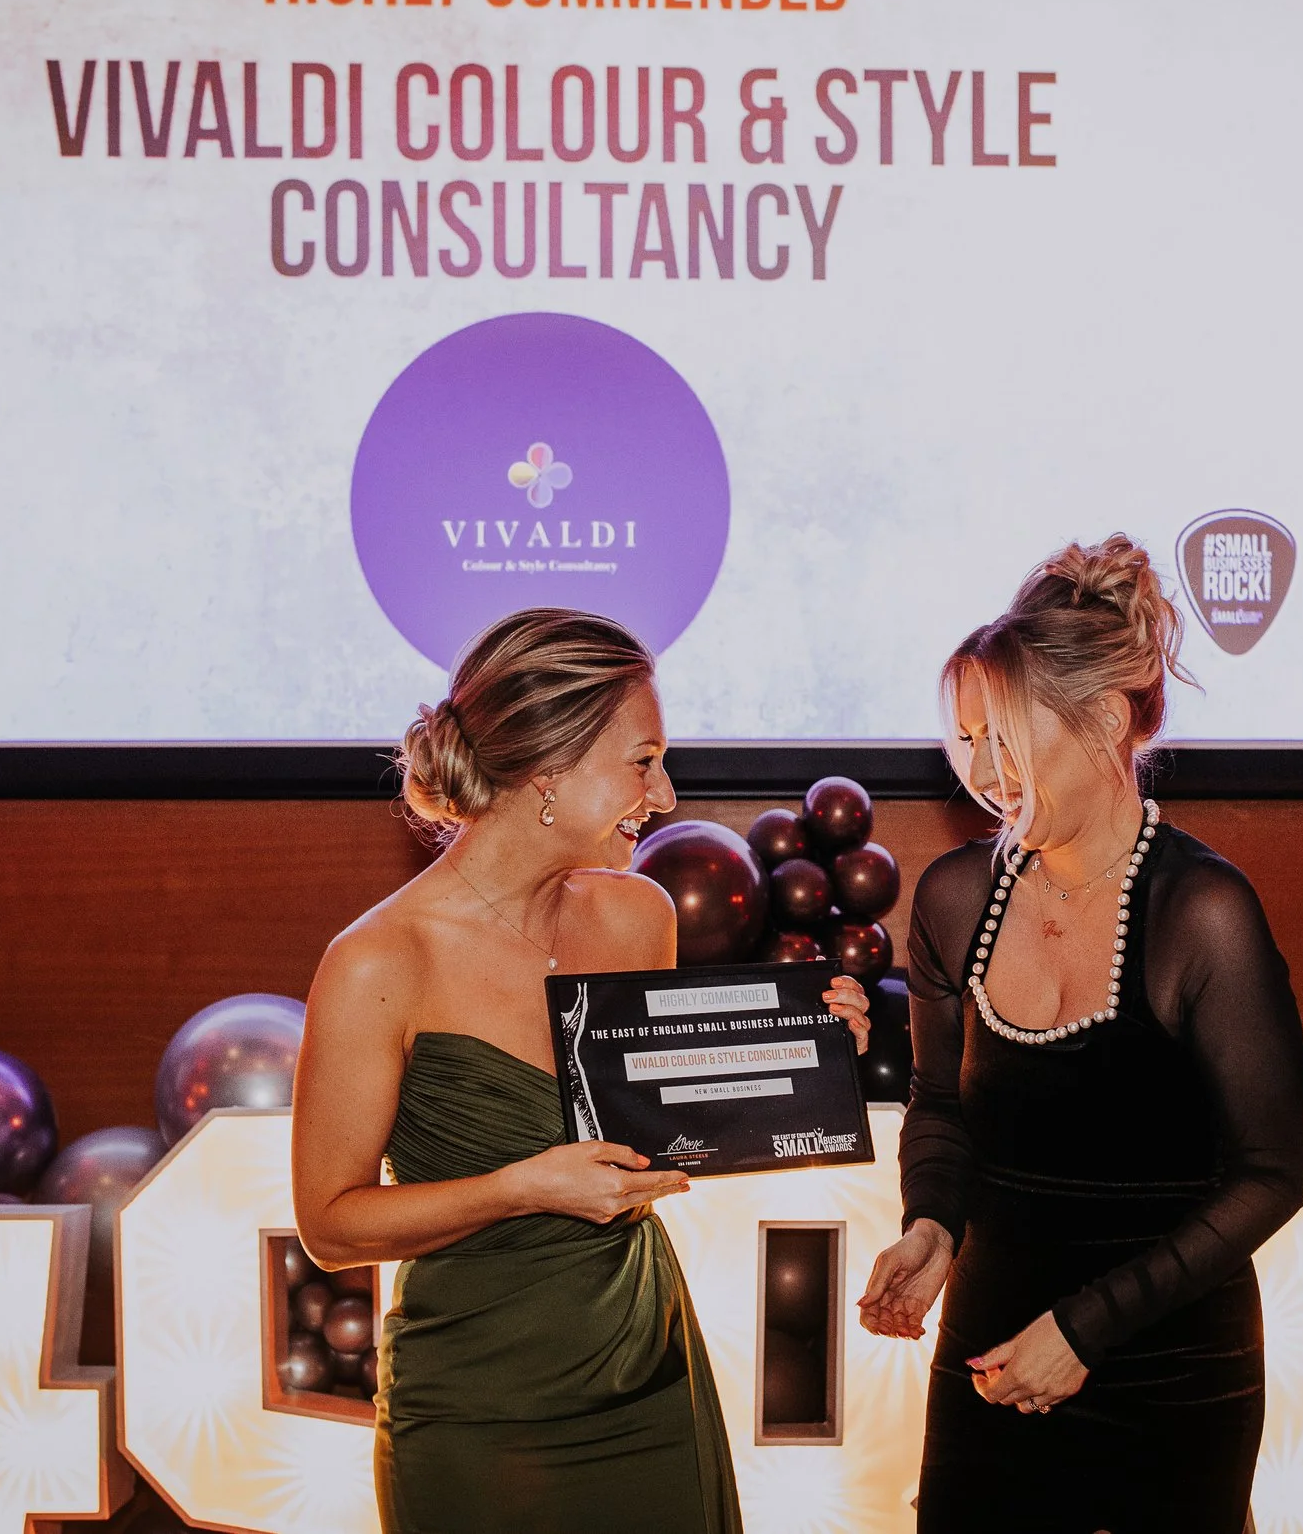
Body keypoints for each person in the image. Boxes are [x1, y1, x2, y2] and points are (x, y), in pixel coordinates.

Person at [292, 606, 870, 1534]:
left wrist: (811, 1049)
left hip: (651, 1374)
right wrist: (518, 1188)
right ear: (550, 770)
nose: (666, 794)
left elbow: (667, 1132)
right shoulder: (378, 961)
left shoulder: (639, 917)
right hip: (477, 1414)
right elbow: (330, 1224)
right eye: (644, 761)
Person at [857, 535, 1303, 1534]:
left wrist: (1084, 1328)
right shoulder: (953, 898)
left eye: (1006, 739)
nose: (985, 772)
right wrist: (931, 1222)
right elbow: (942, 1105)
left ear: (1107, 718)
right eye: (968, 740)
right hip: (990, 1352)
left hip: (1171, 1370)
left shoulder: (1202, 911)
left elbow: (1272, 1172)